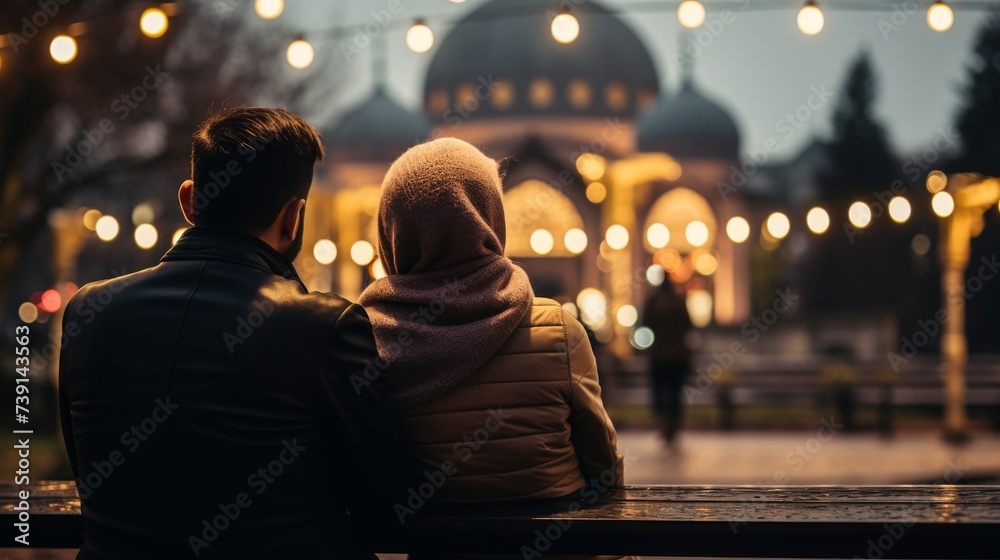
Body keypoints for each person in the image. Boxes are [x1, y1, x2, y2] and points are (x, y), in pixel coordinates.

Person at [59, 107, 408, 560]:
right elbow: (387, 502)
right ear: (294, 217)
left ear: (189, 200)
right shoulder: (326, 328)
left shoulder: (88, 310)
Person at [358, 137, 624, 512]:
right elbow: (605, 469)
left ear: (391, 231)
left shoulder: (366, 341)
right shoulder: (559, 331)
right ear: (491, 217)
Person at [642, 279, 693, 445]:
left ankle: (664, 422)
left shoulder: (652, 302)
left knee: (659, 390)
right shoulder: (679, 301)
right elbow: (689, 324)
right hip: (677, 356)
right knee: (676, 392)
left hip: (659, 356)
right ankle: (673, 423)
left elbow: (645, 323)